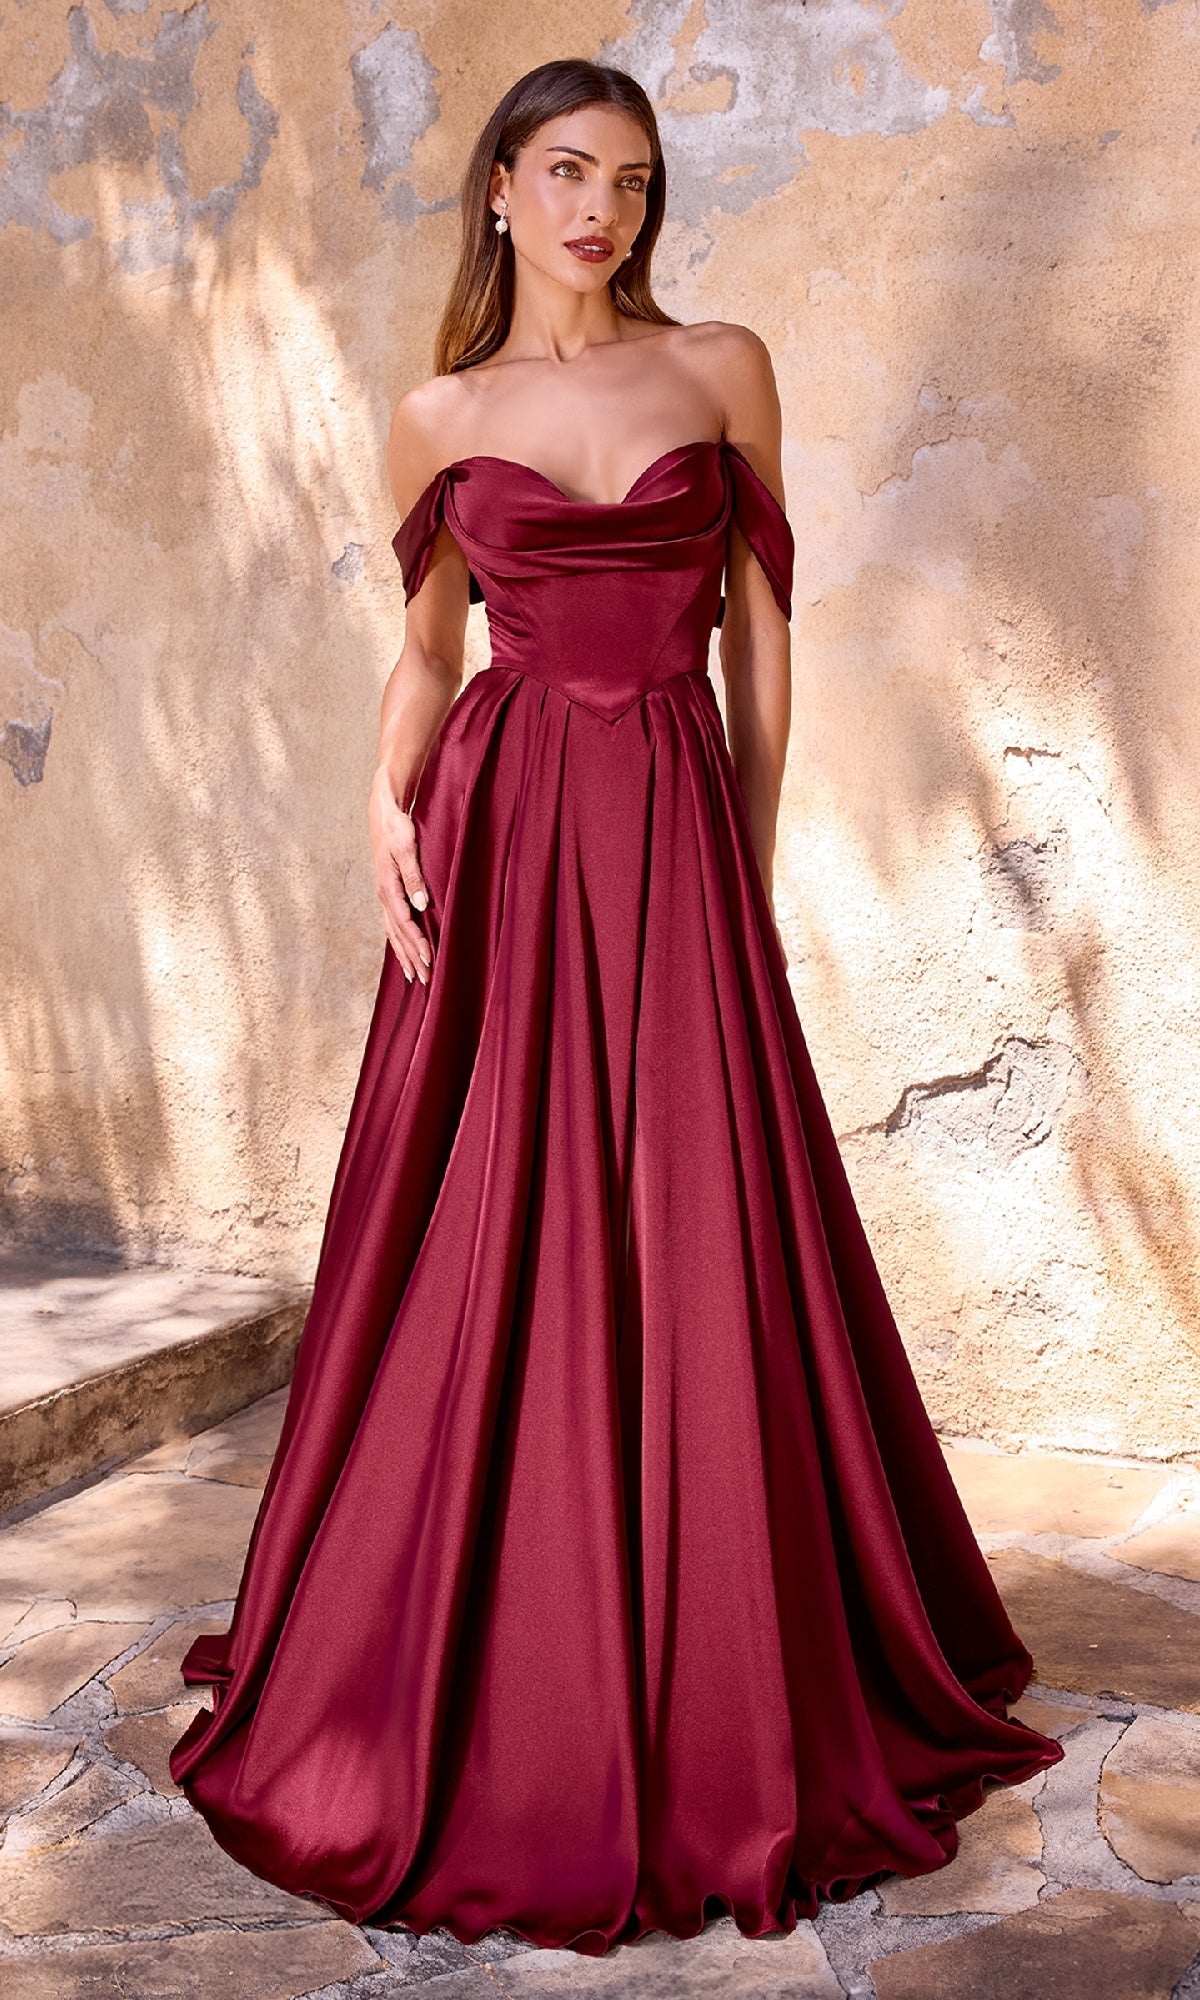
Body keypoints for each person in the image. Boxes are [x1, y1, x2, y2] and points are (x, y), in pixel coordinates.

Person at [170, 57, 1062, 1958]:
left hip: (665, 816)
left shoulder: (717, 366)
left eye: (635, 183)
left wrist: (737, 857)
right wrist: (373, 815)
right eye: (567, 173)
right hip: (497, 833)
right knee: (494, 1214)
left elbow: (759, 630)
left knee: (694, 1214)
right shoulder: (435, 414)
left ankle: (729, 1635)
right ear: (498, 189)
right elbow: (426, 652)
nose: (603, 212)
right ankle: (509, 1623)